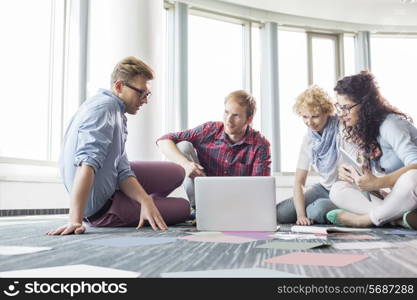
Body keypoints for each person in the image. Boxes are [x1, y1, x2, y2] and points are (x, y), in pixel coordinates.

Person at [47, 56, 190, 235]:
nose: (145, 100)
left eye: (147, 94)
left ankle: (144, 205)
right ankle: (133, 207)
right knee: (183, 208)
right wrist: (75, 220)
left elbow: (122, 170)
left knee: (177, 172)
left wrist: (146, 201)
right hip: (104, 209)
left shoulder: (114, 109)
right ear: (119, 86)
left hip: (112, 184)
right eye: (141, 93)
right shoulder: (104, 110)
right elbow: (87, 164)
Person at [326, 71, 417, 229]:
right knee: (337, 189)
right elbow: (373, 178)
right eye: (340, 108)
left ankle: (365, 219)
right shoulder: (364, 131)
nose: (343, 114)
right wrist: (355, 176)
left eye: (347, 108)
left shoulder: (391, 124)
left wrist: (378, 182)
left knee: (412, 177)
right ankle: (397, 218)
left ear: (365, 105)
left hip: (411, 189)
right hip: (401, 198)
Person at [156, 90, 271, 209]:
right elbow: (163, 140)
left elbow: (259, 189)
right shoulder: (209, 130)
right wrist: (185, 164)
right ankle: (197, 208)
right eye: (226, 112)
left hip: (238, 202)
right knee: (183, 146)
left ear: (249, 120)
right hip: (204, 199)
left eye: (236, 115)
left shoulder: (261, 145)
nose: (228, 120)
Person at [276, 85, 338, 225]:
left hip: (345, 191)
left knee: (316, 211)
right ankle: (319, 210)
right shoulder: (309, 139)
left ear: (327, 112)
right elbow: (299, 181)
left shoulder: (341, 130)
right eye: (305, 117)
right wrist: (300, 216)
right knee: (281, 213)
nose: (309, 122)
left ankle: (345, 211)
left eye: (315, 116)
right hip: (324, 188)